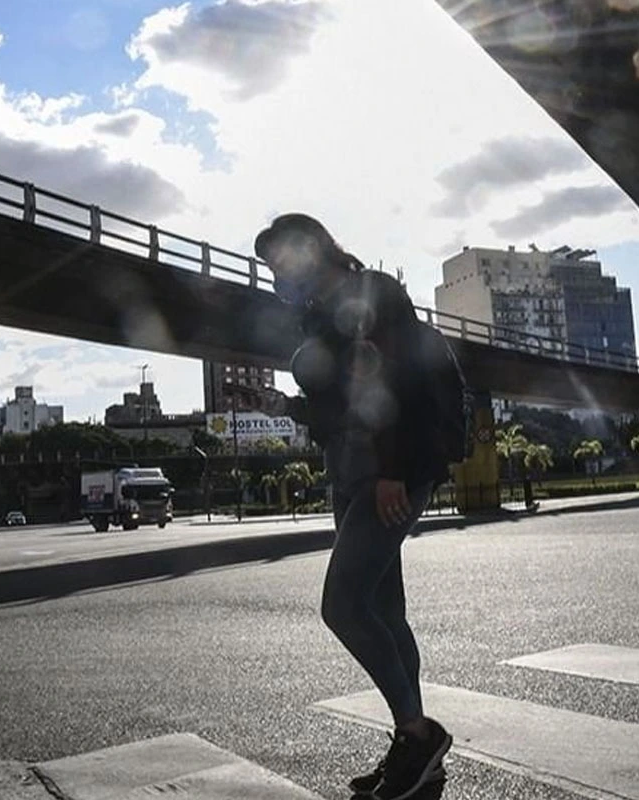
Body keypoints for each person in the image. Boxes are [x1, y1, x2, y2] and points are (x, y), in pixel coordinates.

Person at [254, 213, 452, 800]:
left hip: (389, 473)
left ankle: (421, 733)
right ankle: (418, 757)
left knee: (341, 606)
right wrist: (284, 407)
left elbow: (394, 383)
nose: (278, 278)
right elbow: (339, 404)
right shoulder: (320, 314)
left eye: (280, 262)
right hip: (351, 473)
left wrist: (392, 469)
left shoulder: (373, 294)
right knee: (386, 612)